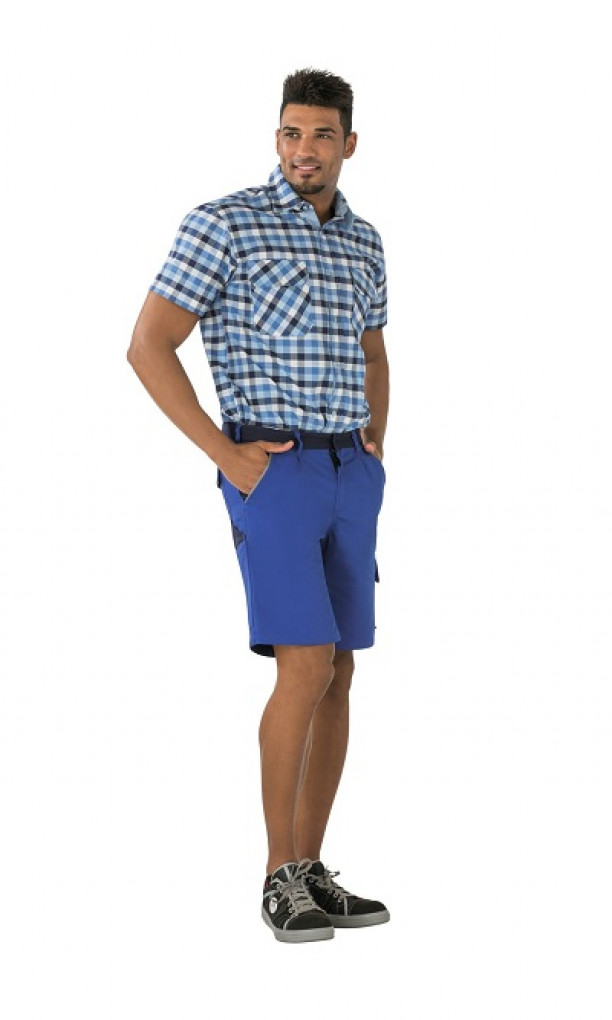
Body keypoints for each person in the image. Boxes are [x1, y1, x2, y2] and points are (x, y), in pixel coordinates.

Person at [128, 68, 390, 944]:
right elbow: (149, 344)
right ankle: (278, 875)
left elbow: (373, 351)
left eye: (321, 135)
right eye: (291, 132)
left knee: (341, 668)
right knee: (304, 665)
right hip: (271, 470)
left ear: (349, 144)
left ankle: (313, 870)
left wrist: (375, 446)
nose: (303, 150)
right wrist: (226, 454)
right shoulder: (225, 223)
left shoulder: (365, 242)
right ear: (276, 137)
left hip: (349, 470)